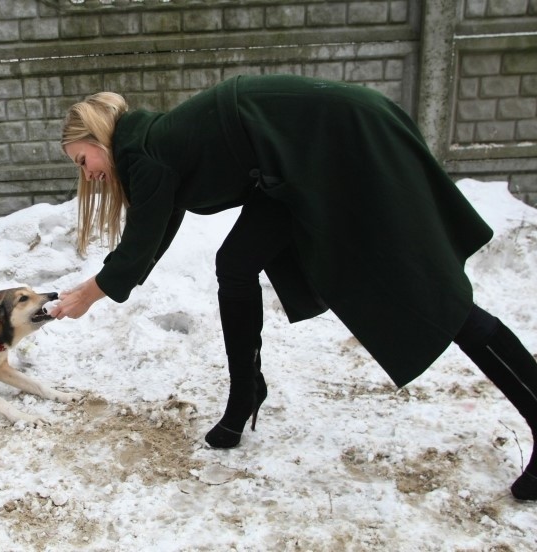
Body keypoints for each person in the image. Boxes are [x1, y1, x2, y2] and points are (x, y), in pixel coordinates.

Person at [49, 74, 537, 501]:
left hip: (342, 142)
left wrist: (87, 295)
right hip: (291, 164)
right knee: (235, 264)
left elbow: (137, 246)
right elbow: (153, 235)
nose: (86, 172)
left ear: (98, 137)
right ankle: (246, 393)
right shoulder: (154, 145)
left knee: (431, 295)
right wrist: (108, 283)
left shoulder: (143, 151)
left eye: (81, 158)